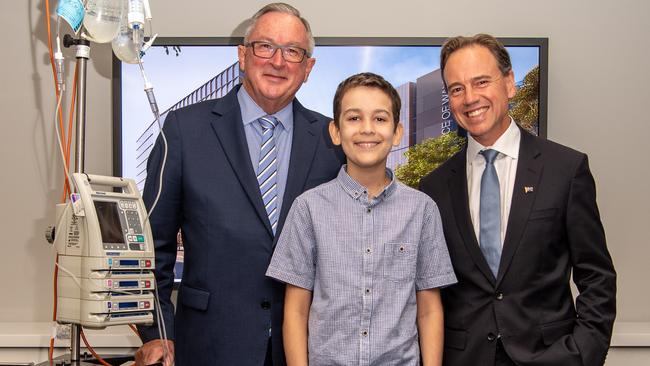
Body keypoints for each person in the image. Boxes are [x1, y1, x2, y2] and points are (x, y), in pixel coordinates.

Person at [134, 3, 345, 365]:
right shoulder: (185, 130)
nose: (277, 62)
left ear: (308, 68)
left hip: (306, 349)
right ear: (243, 55)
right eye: (265, 46)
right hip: (209, 345)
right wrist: (158, 336)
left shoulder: (332, 140)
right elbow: (153, 249)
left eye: (293, 51)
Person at [419, 34, 617, 366]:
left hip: (552, 357)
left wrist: (582, 353)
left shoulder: (566, 170)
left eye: (481, 81)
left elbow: (597, 276)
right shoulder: (433, 187)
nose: (470, 98)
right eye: (456, 89)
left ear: (509, 83)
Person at [266, 72, 457, 366]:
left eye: (380, 119)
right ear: (335, 131)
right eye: (354, 118)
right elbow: (296, 311)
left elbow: (429, 309)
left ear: (397, 133)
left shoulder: (422, 210)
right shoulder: (308, 208)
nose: (367, 129)